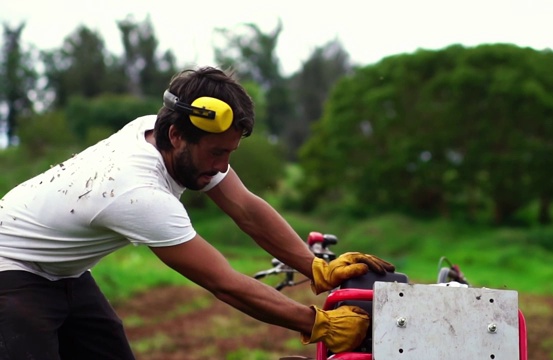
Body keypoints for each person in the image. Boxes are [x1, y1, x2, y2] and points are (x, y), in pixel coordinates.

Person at [0, 66, 395, 359]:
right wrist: (318, 324)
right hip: (11, 271)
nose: (222, 167)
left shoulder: (163, 134)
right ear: (176, 135)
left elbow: (246, 208)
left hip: (65, 272)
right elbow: (224, 283)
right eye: (217, 153)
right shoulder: (138, 192)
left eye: (230, 153)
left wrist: (314, 267)